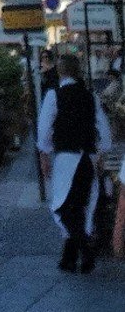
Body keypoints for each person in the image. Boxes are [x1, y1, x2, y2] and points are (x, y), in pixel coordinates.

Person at [37, 54, 111, 274]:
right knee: (81, 206)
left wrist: (44, 155)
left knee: (61, 207)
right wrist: (100, 153)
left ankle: (85, 248)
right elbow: (104, 132)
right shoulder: (91, 96)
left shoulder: (54, 96)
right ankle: (69, 259)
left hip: (66, 159)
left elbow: (44, 131)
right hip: (87, 158)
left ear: (60, 71)